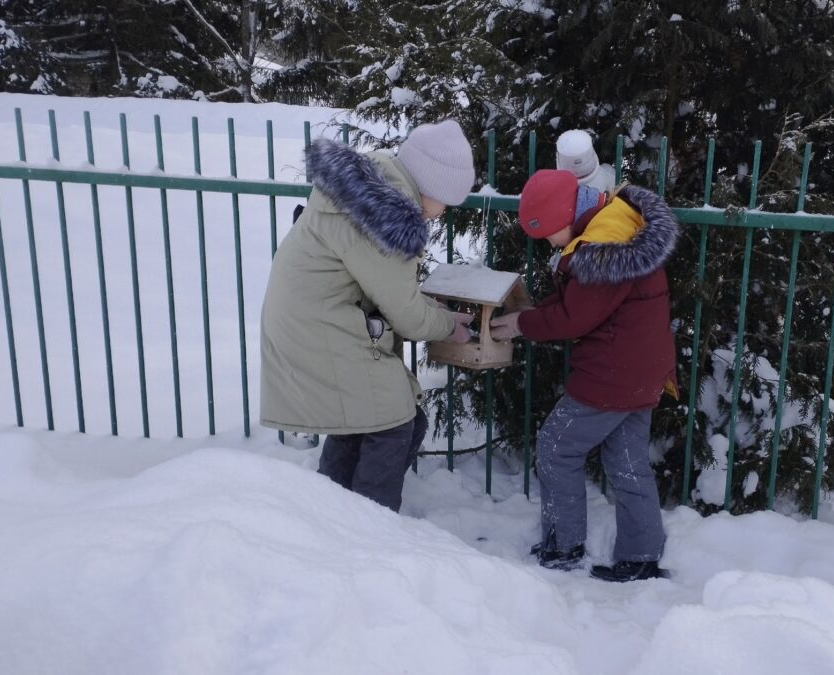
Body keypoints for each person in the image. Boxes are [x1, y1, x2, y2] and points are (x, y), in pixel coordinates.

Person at [260, 119, 476, 512]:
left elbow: (388, 289)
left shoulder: (370, 189)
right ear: (430, 186)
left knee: (363, 419)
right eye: (446, 201)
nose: (442, 214)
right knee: (393, 422)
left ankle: (334, 512)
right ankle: (370, 529)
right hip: (322, 329)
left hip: (312, 322)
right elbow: (407, 315)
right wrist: (449, 325)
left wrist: (429, 309)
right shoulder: (386, 220)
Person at [490, 169, 679, 582]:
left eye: (548, 233)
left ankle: (563, 548)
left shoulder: (601, 249)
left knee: (556, 447)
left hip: (612, 374)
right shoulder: (618, 221)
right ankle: (641, 555)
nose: (547, 243)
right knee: (627, 462)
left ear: (565, 215)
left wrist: (523, 324)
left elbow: (574, 317)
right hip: (642, 369)